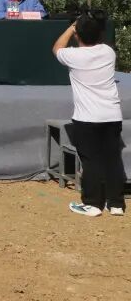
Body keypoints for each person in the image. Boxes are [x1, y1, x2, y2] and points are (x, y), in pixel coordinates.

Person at [53, 13, 125, 217]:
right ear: (99, 34)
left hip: (87, 118)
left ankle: (93, 204)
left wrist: (71, 27)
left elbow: (57, 47)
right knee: (113, 159)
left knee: (91, 160)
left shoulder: (73, 56)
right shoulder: (108, 52)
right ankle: (116, 204)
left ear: (77, 34)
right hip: (112, 115)